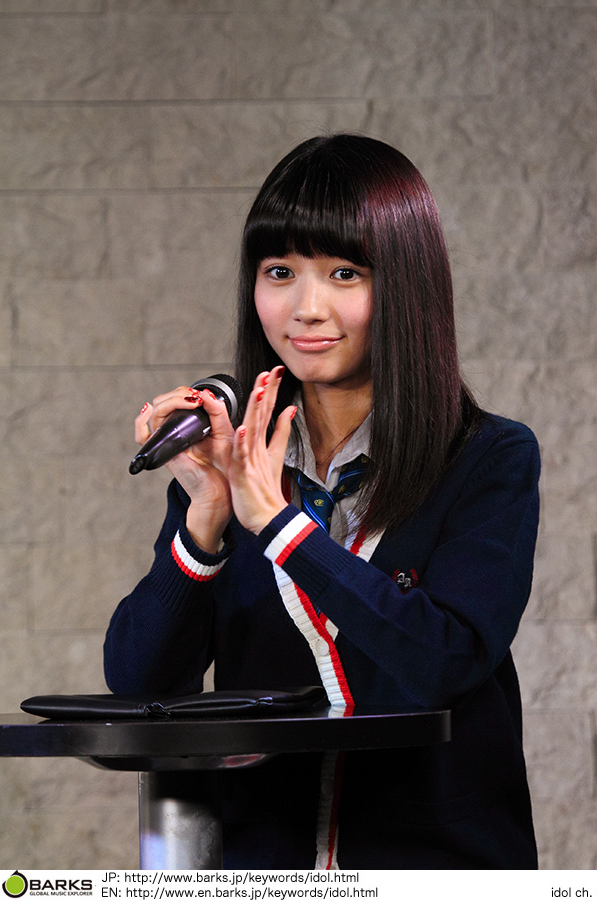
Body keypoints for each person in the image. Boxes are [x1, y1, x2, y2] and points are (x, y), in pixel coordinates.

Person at [104, 134, 540, 870]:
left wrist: (279, 527)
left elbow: (443, 663)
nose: (306, 308)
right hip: (259, 867)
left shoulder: (489, 457)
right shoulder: (235, 458)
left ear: (406, 285)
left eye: (344, 273)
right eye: (280, 272)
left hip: (434, 868)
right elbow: (139, 686)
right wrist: (208, 514)